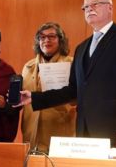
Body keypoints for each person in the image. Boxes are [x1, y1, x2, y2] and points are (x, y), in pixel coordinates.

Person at [18, 0, 116, 149]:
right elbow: (72, 91)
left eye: (95, 4)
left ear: (110, 8)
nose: (90, 9)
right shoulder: (81, 48)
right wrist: (34, 97)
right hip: (84, 131)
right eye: (86, 7)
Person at [21, 22, 76, 152]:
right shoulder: (28, 67)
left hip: (59, 130)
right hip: (31, 131)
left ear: (60, 40)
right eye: (42, 37)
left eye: (51, 36)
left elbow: (75, 97)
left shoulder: (71, 63)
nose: (46, 40)